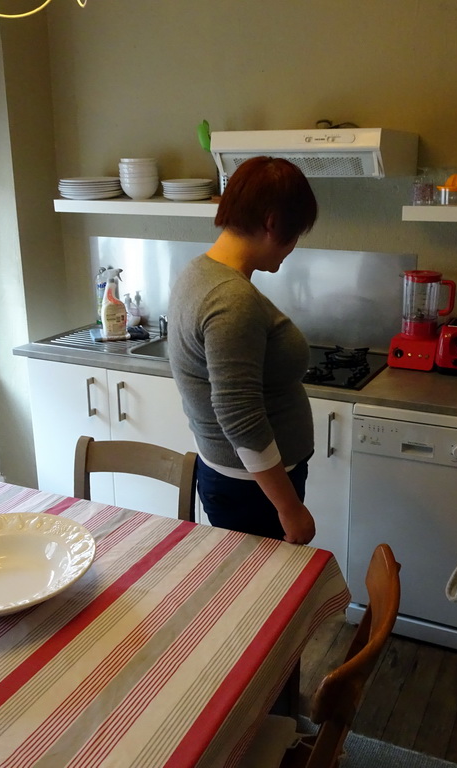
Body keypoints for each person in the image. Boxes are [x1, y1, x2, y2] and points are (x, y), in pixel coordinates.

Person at [168, 156, 319, 544]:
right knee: (262, 597)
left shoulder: (199, 270)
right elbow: (239, 415)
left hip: (239, 482)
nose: (293, 247)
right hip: (255, 493)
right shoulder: (232, 298)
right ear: (272, 222)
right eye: (295, 232)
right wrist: (289, 508)